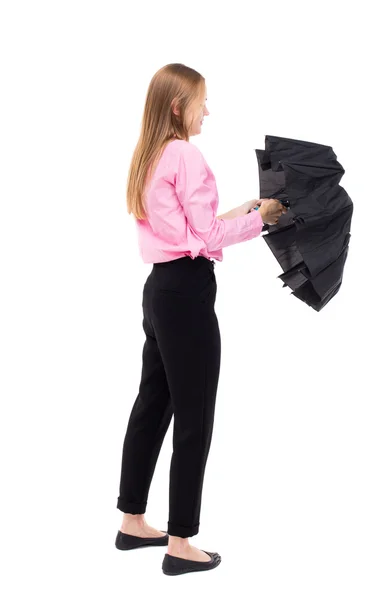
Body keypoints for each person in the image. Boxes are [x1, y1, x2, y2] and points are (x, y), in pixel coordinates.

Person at [115, 63, 287, 576]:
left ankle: (131, 520)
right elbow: (207, 238)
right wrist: (263, 220)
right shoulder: (185, 153)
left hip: (159, 291)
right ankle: (181, 542)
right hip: (186, 295)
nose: (207, 110)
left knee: (152, 404)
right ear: (177, 105)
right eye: (202, 101)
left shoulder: (150, 154)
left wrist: (247, 210)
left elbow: (196, 229)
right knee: (195, 419)